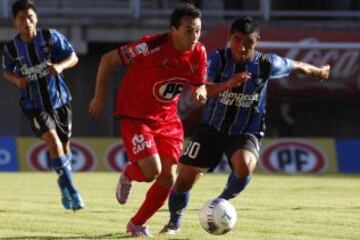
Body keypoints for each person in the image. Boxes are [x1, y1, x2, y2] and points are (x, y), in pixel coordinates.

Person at [160, 16, 330, 234]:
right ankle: (174, 222)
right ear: (230, 38)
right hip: (212, 129)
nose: (241, 47)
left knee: (245, 165)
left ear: (257, 40)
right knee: (184, 179)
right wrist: (228, 84)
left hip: (246, 131)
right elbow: (202, 90)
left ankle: (222, 201)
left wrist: (318, 72)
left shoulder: (267, 63)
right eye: (237, 40)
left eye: (248, 42)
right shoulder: (216, 60)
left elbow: (295, 66)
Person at [88, 3, 240, 237]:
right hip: (136, 117)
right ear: (173, 30)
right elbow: (108, 60)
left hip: (168, 120)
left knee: (169, 177)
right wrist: (99, 96)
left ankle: (137, 224)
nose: (194, 36)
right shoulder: (149, 47)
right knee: (151, 171)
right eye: (189, 30)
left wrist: (203, 89)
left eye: (198, 30)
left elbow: (199, 85)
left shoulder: (198, 52)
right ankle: (130, 174)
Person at [1, 0, 84, 211]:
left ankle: (63, 183)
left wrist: (59, 66)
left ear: (36, 18)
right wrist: (16, 80)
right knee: (54, 144)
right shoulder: (11, 49)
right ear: (14, 22)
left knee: (65, 149)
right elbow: (6, 71)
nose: (27, 22)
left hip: (60, 101)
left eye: (30, 17)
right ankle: (74, 193)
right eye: (22, 18)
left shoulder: (49, 37)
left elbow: (73, 56)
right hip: (34, 104)